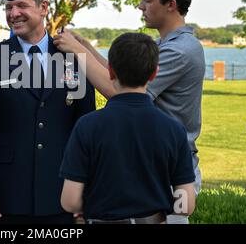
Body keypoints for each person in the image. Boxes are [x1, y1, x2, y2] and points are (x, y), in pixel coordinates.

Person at [54, 0, 205, 224]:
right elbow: (123, 73)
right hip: (153, 159)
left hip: (164, 167)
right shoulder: (165, 44)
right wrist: (86, 47)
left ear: (170, 4)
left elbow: (117, 89)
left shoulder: (180, 50)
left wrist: (78, 54)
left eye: (147, 0)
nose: (140, 6)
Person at [0, 0, 95, 224]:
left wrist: (87, 187)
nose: (13, 14)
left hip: (61, 193)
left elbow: (86, 128)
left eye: (21, 5)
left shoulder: (72, 56)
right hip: (6, 197)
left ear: (43, 7)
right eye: (9, 7)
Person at [60, 33, 196, 224]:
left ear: (110, 71)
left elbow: (70, 201)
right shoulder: (174, 129)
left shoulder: (87, 126)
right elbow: (186, 205)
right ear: (154, 73)